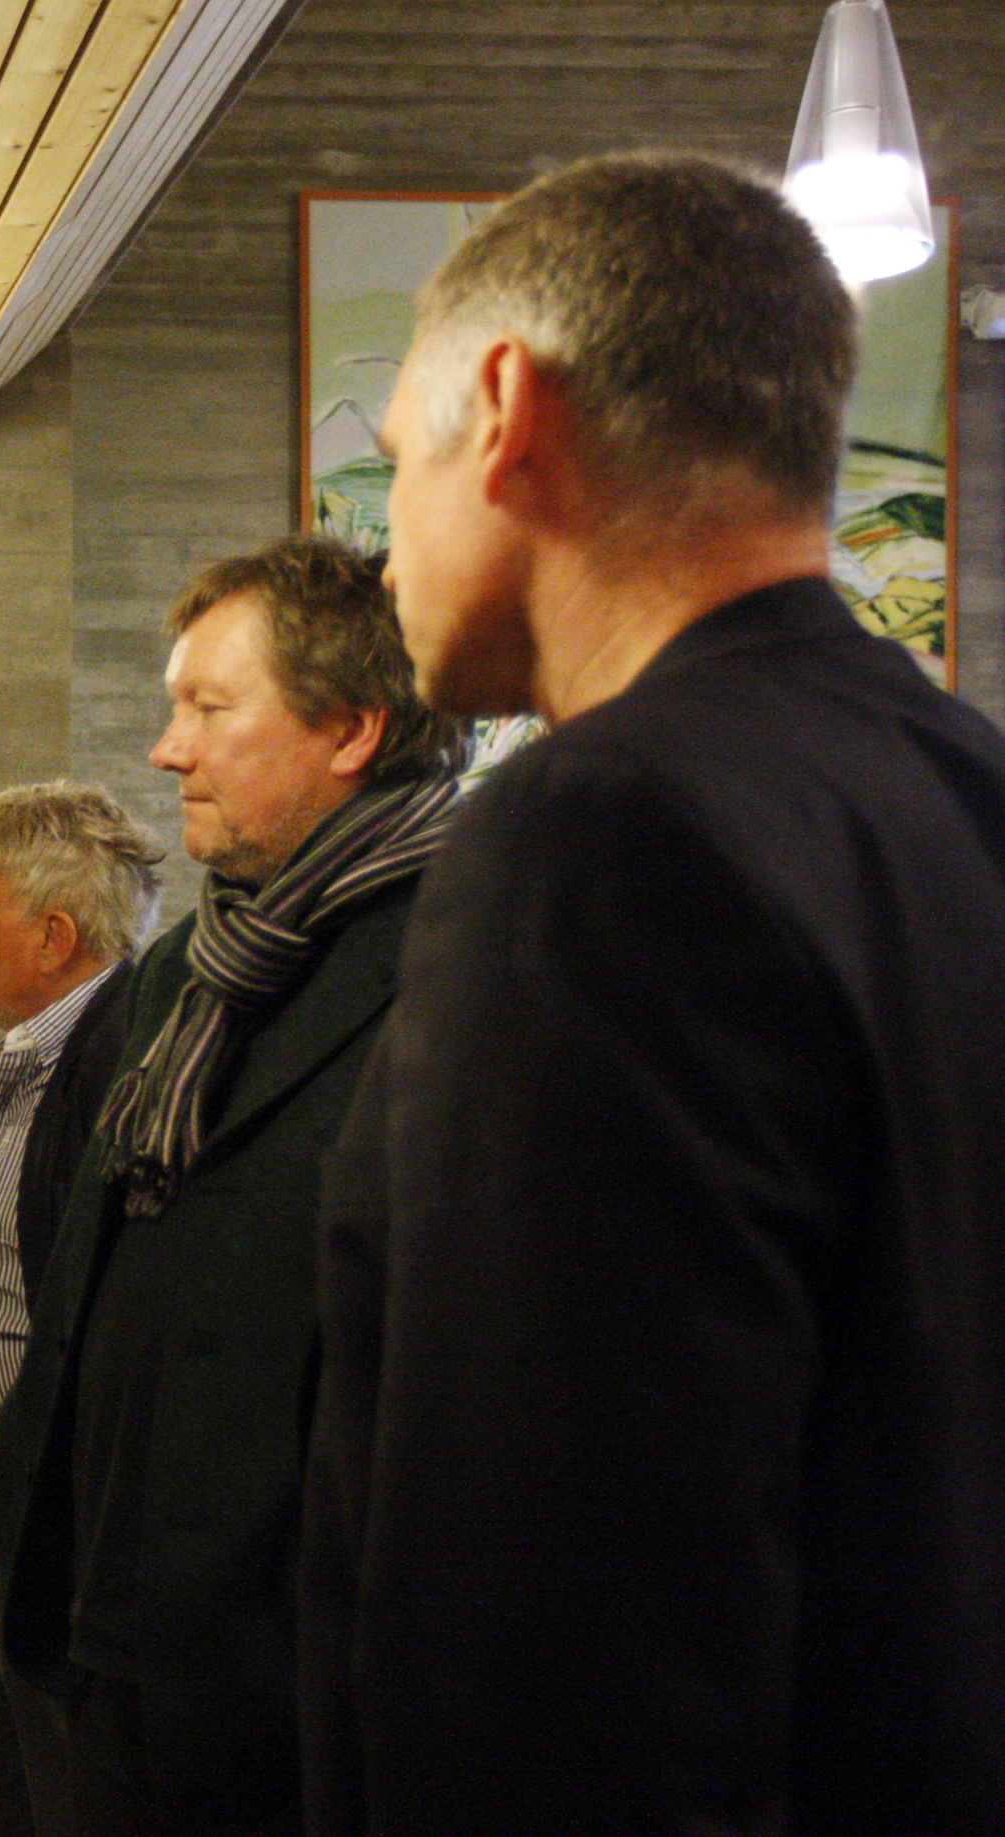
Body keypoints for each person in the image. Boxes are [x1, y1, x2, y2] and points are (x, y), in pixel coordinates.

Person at [300, 150, 1005, 1836]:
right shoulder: (964, 787)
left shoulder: (596, 831)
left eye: (393, 465)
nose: (381, 549)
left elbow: (558, 1637)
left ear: (504, 410)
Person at [0, 535, 460, 1836]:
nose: (165, 750)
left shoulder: (469, 966)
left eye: (207, 707)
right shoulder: (182, 968)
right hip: (110, 1641)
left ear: (351, 727)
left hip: (287, 1694)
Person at [0, 782, 158, 1837]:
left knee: (66, 1802)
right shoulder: (33, 1048)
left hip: (51, 1524)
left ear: (53, 936)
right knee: (9, 1799)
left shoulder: (120, 1068)